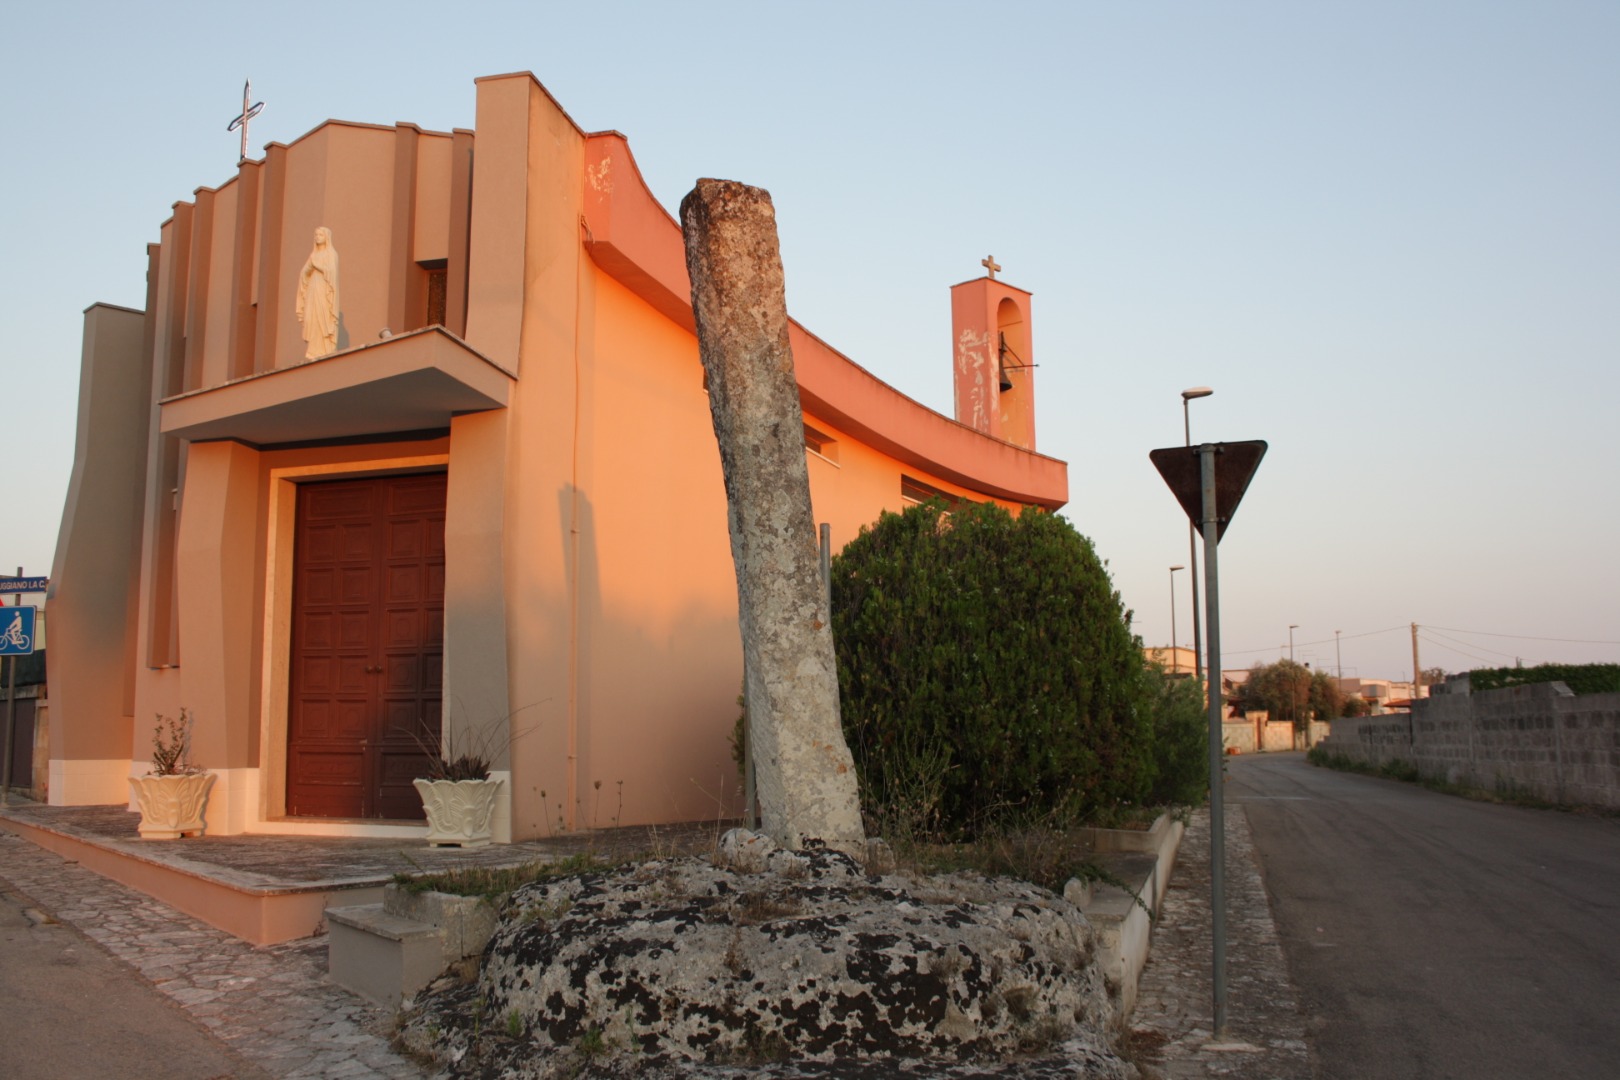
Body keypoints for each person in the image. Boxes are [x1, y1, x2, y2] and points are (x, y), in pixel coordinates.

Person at [295, 226, 340, 358]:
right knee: (311, 317)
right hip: (312, 289)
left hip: (324, 290)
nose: (317, 237)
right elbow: (304, 273)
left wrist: (317, 266)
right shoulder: (313, 255)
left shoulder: (331, 254)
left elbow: (332, 272)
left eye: (320, 235)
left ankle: (324, 349)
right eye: (316, 235)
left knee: (322, 317)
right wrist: (309, 268)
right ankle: (313, 349)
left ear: (327, 237)